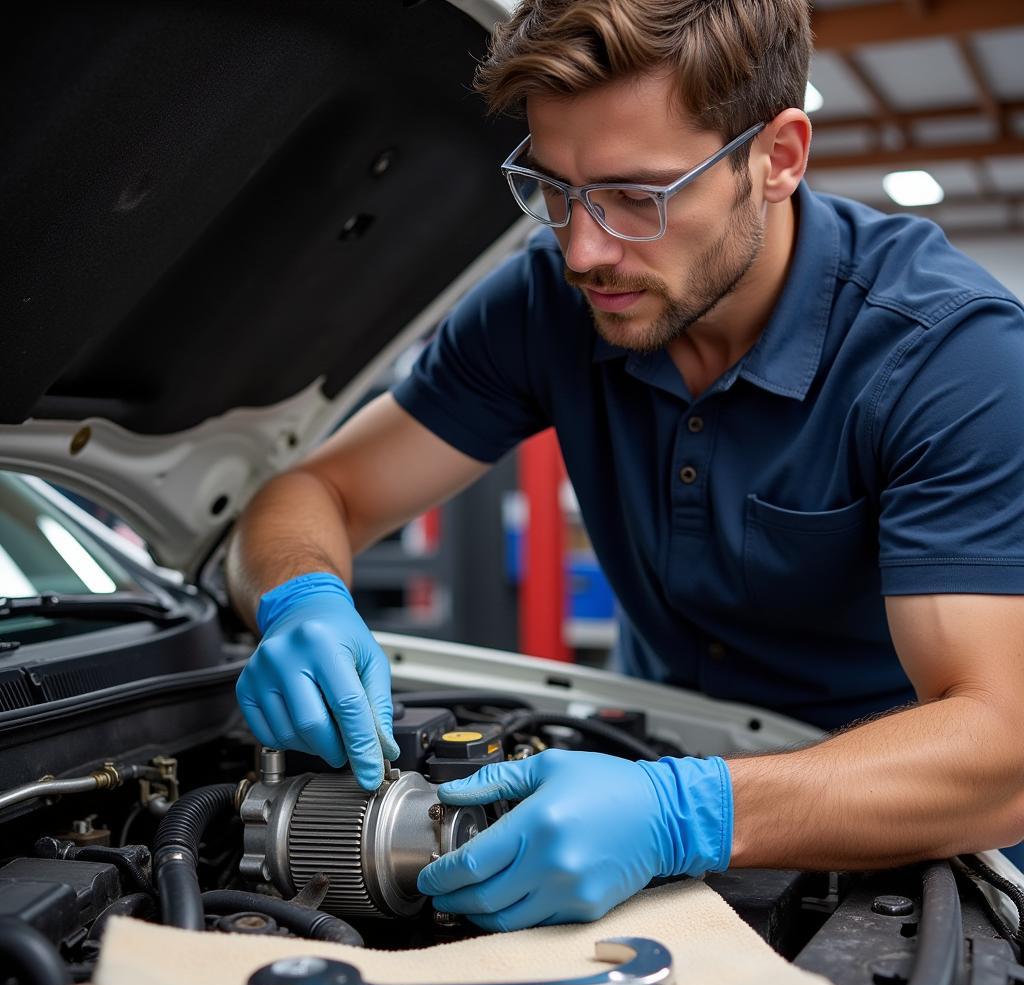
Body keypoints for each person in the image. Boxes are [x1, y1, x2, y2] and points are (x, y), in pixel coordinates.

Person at [225, 0, 1024, 932]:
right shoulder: (542, 307)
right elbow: (312, 490)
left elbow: (1001, 749)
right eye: (554, 189)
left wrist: (686, 814)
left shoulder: (948, 357)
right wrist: (300, 598)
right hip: (631, 762)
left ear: (779, 157)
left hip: (885, 816)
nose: (583, 250)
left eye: (638, 196)